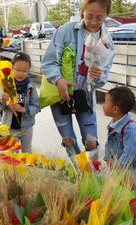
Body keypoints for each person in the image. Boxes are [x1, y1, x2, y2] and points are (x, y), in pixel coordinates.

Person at [41, 0, 114, 156]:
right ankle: (80, 174)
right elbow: (48, 63)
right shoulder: (65, 31)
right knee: (69, 140)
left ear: (107, 15)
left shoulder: (107, 42)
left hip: (85, 97)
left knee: (91, 141)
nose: (93, 22)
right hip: (61, 95)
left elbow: (104, 76)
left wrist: (99, 76)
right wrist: (58, 80)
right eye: (89, 16)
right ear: (82, 12)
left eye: (99, 18)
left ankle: (92, 176)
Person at [103, 86, 136, 208]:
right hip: (122, 171)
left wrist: (117, 170)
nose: (103, 105)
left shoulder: (130, 130)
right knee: (124, 203)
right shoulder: (114, 123)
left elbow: (129, 154)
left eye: (105, 102)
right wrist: (108, 160)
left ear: (115, 109)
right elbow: (109, 144)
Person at [0, 52, 40, 153]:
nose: (21, 73)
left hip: (26, 127)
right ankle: (14, 169)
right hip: (10, 127)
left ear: (29, 70)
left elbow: (37, 107)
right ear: (12, 68)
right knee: (12, 152)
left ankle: (27, 168)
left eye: (25, 71)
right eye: (18, 70)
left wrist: (23, 109)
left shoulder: (31, 87)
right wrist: (2, 102)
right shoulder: (6, 85)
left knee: (27, 150)